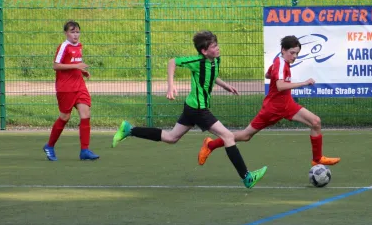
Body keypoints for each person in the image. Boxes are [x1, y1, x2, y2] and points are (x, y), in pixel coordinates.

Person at [111, 30, 267, 189]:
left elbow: (211, 75)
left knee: (171, 137)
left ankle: (130, 130)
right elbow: (172, 62)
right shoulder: (196, 61)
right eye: (214, 46)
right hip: (199, 110)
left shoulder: (215, 60)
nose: (218, 48)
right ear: (204, 51)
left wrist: (226, 86)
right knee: (228, 136)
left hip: (191, 107)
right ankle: (247, 177)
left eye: (217, 44)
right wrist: (171, 86)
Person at [197, 35, 340, 168]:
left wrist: (273, 72)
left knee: (315, 122)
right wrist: (304, 83)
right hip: (272, 109)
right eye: (292, 53)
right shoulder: (281, 64)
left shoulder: (280, 61)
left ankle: (317, 159)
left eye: (297, 53)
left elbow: (268, 74)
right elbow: (280, 85)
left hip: (287, 105)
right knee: (246, 136)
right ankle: (211, 145)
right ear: (283, 50)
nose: (295, 56)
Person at [42, 20, 99, 161]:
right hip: (65, 88)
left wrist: (82, 72)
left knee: (85, 113)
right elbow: (56, 66)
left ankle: (84, 150)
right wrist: (76, 67)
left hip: (79, 86)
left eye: (77, 32)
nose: (75, 35)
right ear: (66, 33)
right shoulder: (63, 46)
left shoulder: (79, 46)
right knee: (64, 117)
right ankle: (49, 146)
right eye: (72, 32)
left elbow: (74, 64)